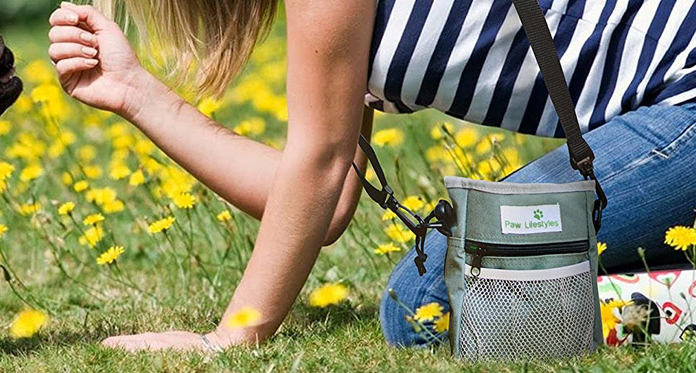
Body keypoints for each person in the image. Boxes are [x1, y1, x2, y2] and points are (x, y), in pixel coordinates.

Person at [47, 0, 696, 351]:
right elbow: (321, 200)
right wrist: (135, 92)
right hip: (664, 115)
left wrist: (231, 336)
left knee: (431, 302)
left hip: (685, 104)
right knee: (442, 292)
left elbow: (320, 164)